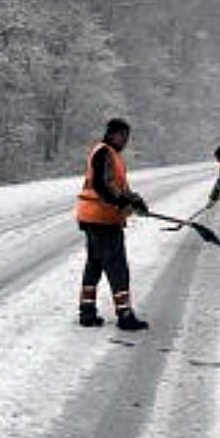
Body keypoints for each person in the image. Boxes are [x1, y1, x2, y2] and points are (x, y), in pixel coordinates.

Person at [75, 117, 150, 330]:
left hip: (93, 216)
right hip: (102, 218)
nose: (125, 140)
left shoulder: (112, 155)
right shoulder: (104, 152)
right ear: (112, 134)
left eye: (127, 136)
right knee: (117, 266)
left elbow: (118, 186)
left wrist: (135, 200)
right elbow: (102, 185)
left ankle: (87, 312)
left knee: (95, 263)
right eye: (123, 135)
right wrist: (122, 202)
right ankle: (125, 315)